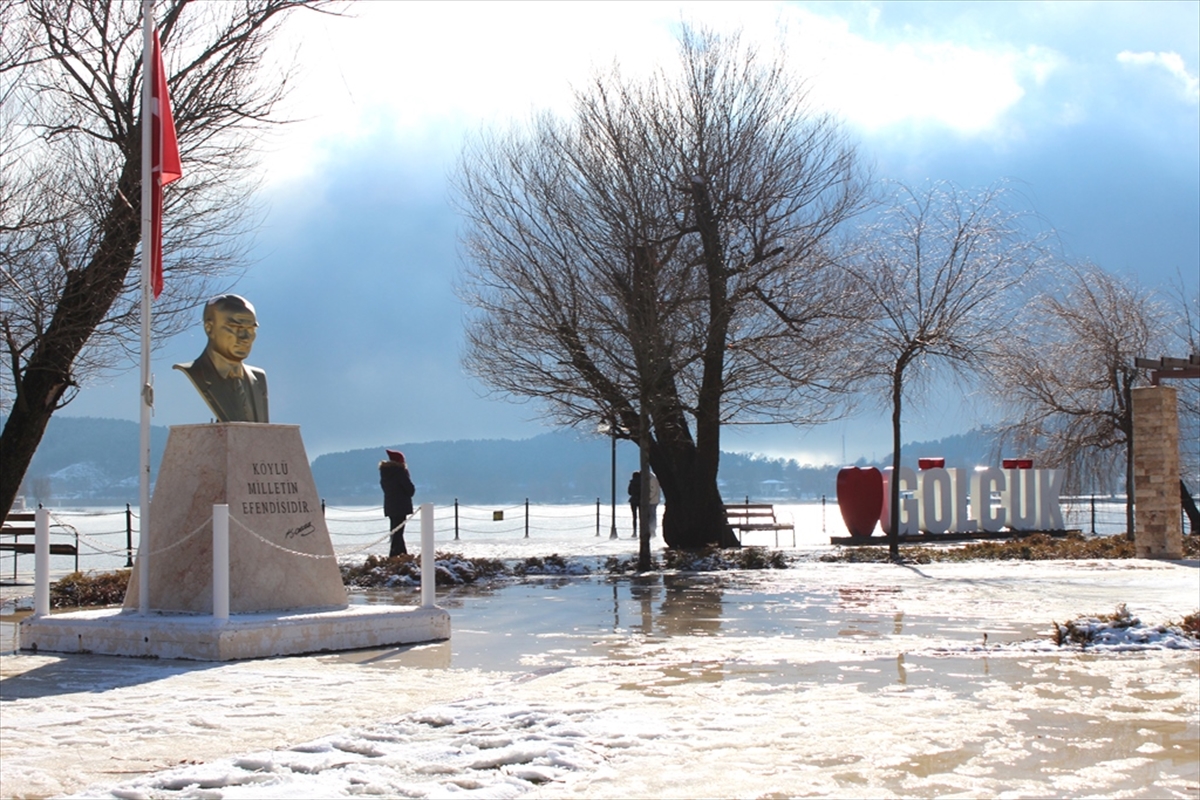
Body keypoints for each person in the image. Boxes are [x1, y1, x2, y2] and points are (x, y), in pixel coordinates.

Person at [174, 294, 269, 422]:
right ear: (209, 328)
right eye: (235, 327)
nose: (245, 337)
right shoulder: (194, 374)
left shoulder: (258, 378)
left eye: (251, 329)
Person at [379, 449, 415, 557]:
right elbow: (410, 489)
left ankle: (402, 554)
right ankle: (395, 555)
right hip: (401, 505)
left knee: (395, 531)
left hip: (390, 505)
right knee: (398, 533)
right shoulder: (400, 472)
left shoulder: (385, 473)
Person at [647, 472, 661, 538]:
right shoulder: (654, 479)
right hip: (654, 500)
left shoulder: (652, 480)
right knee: (652, 515)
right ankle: (651, 529)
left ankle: (652, 529)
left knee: (652, 515)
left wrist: (648, 497)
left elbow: (653, 491)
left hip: (652, 501)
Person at [627, 470, 641, 537]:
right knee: (642, 517)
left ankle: (634, 532)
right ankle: (642, 530)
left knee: (634, 517)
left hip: (633, 500)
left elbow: (629, 492)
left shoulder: (632, 483)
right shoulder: (642, 482)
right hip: (641, 500)